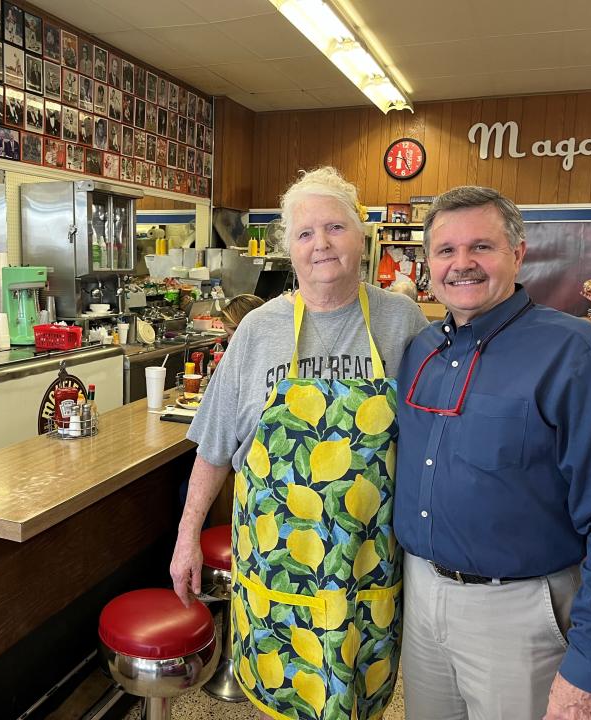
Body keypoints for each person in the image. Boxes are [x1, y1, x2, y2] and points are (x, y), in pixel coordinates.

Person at [394, 185, 591, 720]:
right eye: (446, 250)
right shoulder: (421, 350)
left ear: (518, 254)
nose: (462, 264)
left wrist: (588, 667)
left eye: (482, 247)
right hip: (421, 601)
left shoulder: (582, 356)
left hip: (521, 615)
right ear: (428, 263)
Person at [170, 167, 427, 719]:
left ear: (362, 235)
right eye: (305, 233)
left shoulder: (403, 321)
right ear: (287, 246)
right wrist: (187, 536)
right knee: (283, 700)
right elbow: (214, 448)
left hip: (367, 567)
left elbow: (434, 443)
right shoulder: (258, 331)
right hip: (277, 565)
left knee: (359, 699)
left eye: (335, 227)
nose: (321, 245)